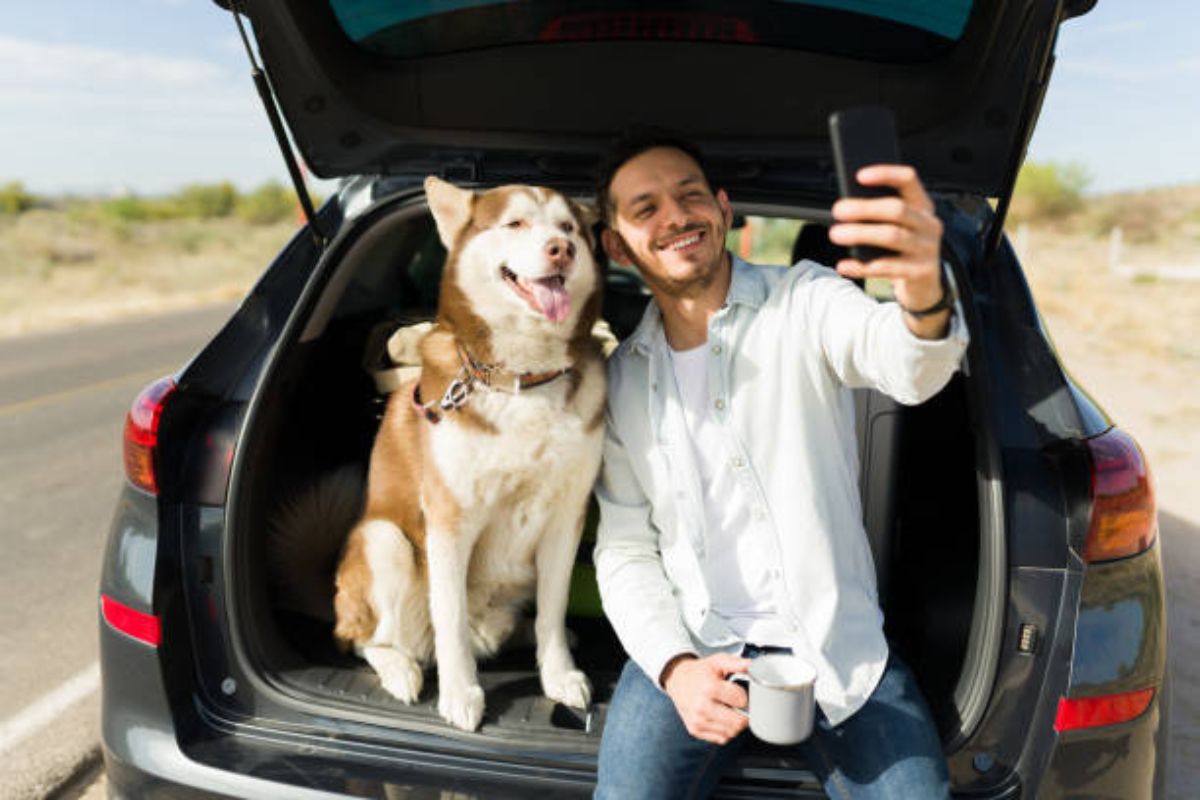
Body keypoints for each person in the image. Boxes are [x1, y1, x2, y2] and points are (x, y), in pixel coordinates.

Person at [591, 128, 968, 799]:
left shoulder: (806, 298)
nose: (675, 217)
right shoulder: (620, 378)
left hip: (840, 652)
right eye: (645, 209)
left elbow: (906, 364)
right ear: (616, 245)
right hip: (693, 645)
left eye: (690, 196)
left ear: (725, 210)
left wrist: (922, 297)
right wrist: (675, 668)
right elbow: (624, 548)